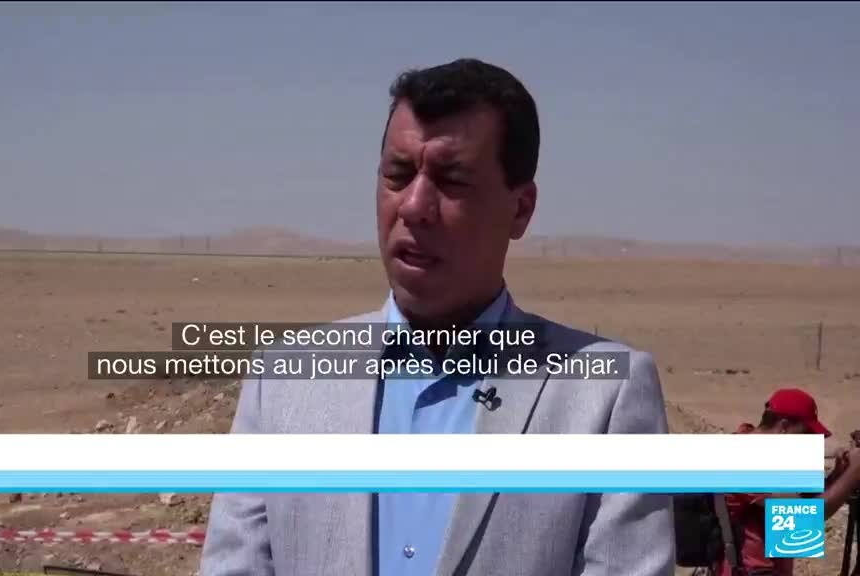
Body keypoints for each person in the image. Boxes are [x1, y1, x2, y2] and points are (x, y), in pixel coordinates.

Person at [199, 58, 674, 576]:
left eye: (452, 181)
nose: (414, 206)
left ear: (520, 209)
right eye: (398, 175)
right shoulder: (283, 381)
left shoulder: (605, 398)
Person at [712, 388, 860, 576]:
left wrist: (838, 474)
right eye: (806, 435)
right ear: (784, 427)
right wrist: (853, 474)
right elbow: (807, 518)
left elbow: (802, 500)